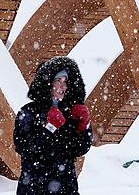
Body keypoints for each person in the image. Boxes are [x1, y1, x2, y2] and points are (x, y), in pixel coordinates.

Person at [14, 56, 92, 195]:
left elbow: (80, 149)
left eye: (65, 81)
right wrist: (50, 128)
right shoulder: (29, 112)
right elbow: (23, 147)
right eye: (58, 80)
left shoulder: (70, 112)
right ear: (47, 83)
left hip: (66, 188)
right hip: (34, 189)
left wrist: (83, 126)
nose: (63, 86)